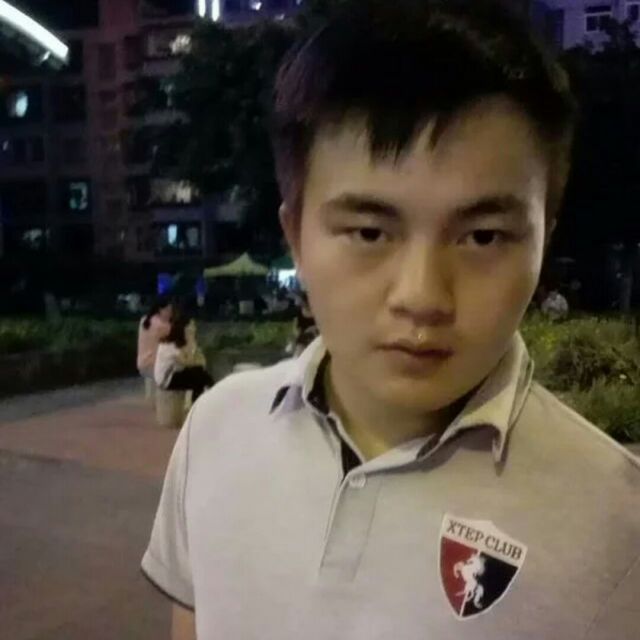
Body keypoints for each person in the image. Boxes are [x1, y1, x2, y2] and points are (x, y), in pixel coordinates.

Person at [142, 2, 640, 639]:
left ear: (545, 240)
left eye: (483, 237)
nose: (422, 297)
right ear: (296, 236)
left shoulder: (615, 520)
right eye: (370, 232)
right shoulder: (216, 429)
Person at [154, 311, 214, 403]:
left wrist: (193, 347)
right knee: (199, 376)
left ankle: (201, 401)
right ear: (184, 328)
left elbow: (201, 360)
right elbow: (188, 362)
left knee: (200, 373)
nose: (194, 329)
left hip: (177, 372)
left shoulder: (182, 343)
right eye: (191, 326)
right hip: (166, 379)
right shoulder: (170, 346)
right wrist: (191, 341)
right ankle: (203, 401)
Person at [136, 297, 173, 379]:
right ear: (160, 310)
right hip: (154, 364)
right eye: (168, 310)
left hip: (142, 364)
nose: (170, 313)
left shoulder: (144, 320)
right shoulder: (163, 326)